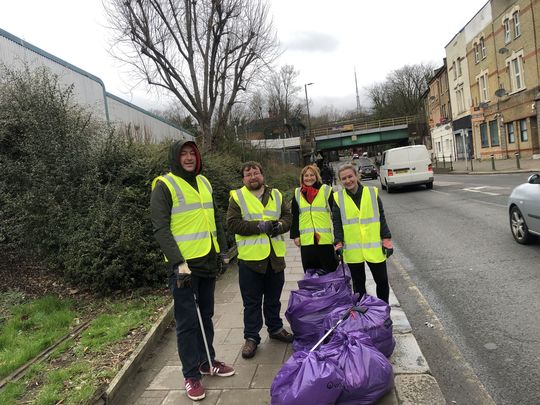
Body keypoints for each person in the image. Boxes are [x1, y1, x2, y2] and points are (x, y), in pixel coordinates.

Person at [150, 140, 235, 401]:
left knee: (206, 315)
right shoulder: (164, 185)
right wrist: (178, 262)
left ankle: (206, 361)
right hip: (184, 267)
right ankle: (191, 375)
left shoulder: (205, 183)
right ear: (176, 157)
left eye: (192, 153)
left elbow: (215, 218)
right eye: (184, 154)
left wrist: (222, 249)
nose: (188, 158)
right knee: (187, 322)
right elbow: (160, 228)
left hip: (207, 259)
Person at [226, 161, 294, 359]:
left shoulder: (277, 195)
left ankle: (275, 329)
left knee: (273, 299)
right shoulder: (237, 197)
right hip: (250, 260)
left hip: (274, 258)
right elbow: (232, 224)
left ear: (262, 175)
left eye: (256, 173)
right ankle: (251, 337)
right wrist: (258, 227)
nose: (253, 177)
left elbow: (288, 217)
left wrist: (279, 226)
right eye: (248, 174)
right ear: (243, 179)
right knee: (252, 302)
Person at [332, 163, 394, 303]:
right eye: (344, 178)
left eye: (350, 176)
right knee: (359, 286)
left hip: (374, 247)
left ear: (356, 176)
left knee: (382, 281)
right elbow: (337, 223)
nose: (348, 181)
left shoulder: (372, 193)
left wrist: (386, 239)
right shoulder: (338, 198)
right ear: (340, 181)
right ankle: (362, 315)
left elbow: (381, 217)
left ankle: (383, 311)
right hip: (353, 250)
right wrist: (338, 242)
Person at [290, 165, 338, 274]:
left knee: (329, 272)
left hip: (324, 240)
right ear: (302, 178)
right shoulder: (297, 193)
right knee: (310, 274)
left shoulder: (326, 190)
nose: (309, 178)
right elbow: (295, 215)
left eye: (312, 175)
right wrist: (295, 235)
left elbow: (335, 215)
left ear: (316, 176)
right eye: (306, 175)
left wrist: (338, 237)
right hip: (307, 242)